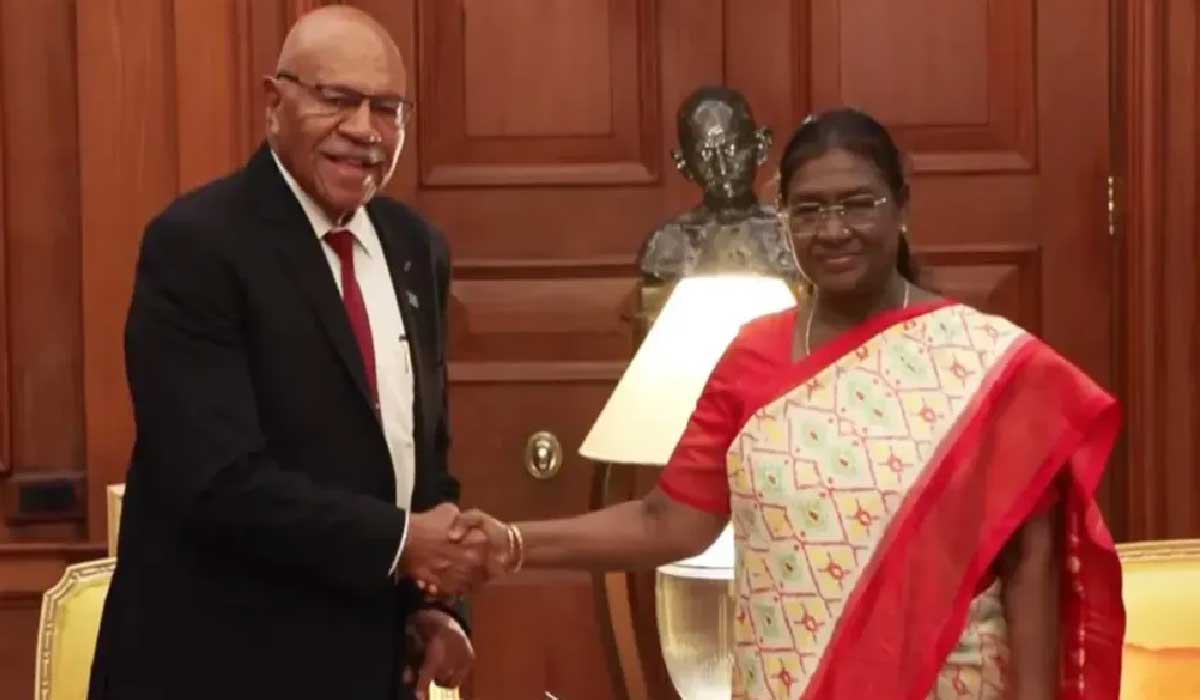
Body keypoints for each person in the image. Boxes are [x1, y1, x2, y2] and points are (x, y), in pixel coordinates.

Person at [452, 109, 1126, 700]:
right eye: (809, 209)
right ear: (785, 219)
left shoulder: (983, 363)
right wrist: (515, 542)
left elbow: (1030, 559)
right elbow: (670, 522)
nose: (834, 230)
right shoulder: (753, 354)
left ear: (902, 206)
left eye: (858, 203)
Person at [89, 7, 484, 700]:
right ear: (275, 103)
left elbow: (420, 461)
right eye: (337, 100)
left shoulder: (416, 248)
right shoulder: (197, 246)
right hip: (217, 665)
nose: (365, 130)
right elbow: (216, 480)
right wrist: (401, 543)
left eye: (387, 109)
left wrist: (434, 605)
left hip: (367, 668)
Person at [638, 86, 795, 283]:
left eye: (732, 148)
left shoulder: (791, 236)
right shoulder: (666, 244)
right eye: (705, 154)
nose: (721, 168)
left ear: (761, 146)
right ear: (684, 165)